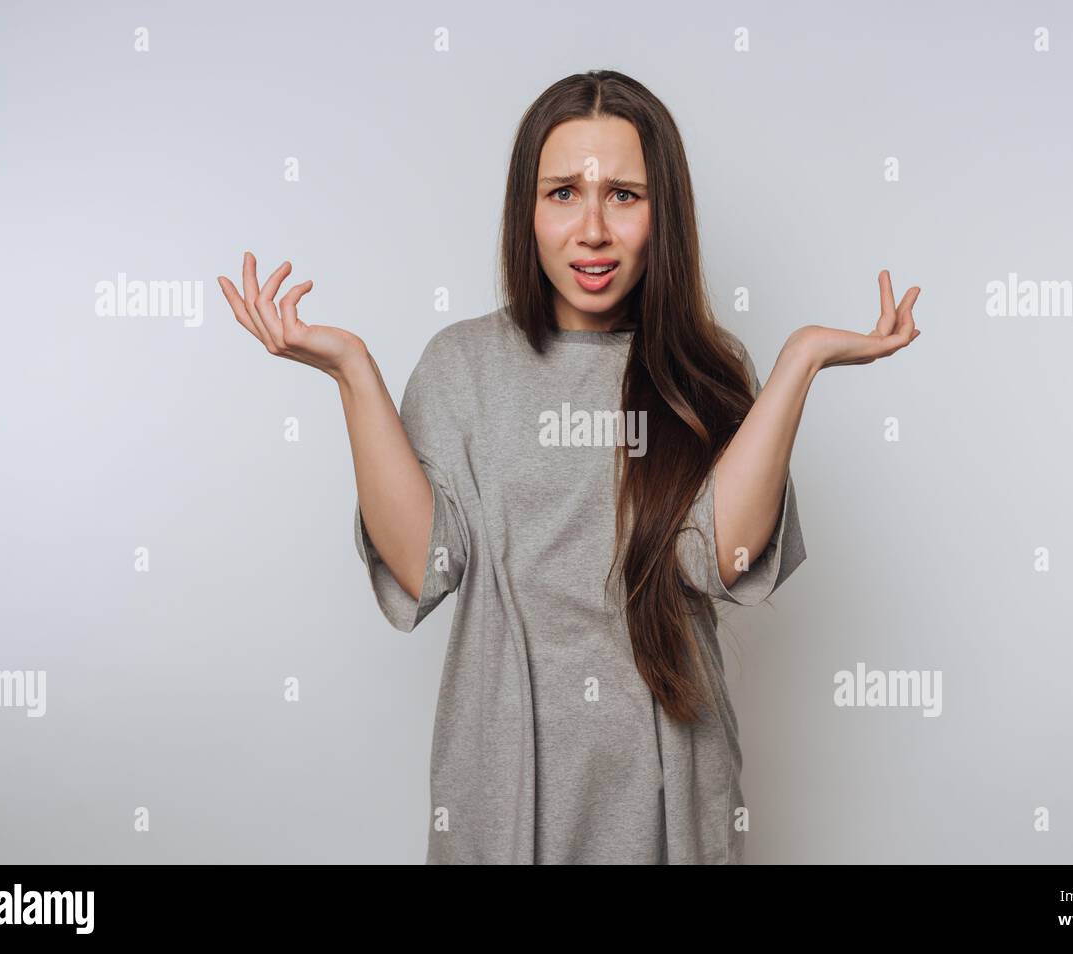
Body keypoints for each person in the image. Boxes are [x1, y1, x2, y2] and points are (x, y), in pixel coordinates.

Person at [216, 69, 921, 864]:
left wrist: (801, 361)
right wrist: (352, 371)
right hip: (505, 794)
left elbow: (719, 559)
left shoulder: (706, 372)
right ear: (527, 209)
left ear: (666, 215)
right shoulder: (463, 367)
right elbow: (423, 568)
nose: (592, 229)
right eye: (562, 194)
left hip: (671, 790)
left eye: (623, 195)